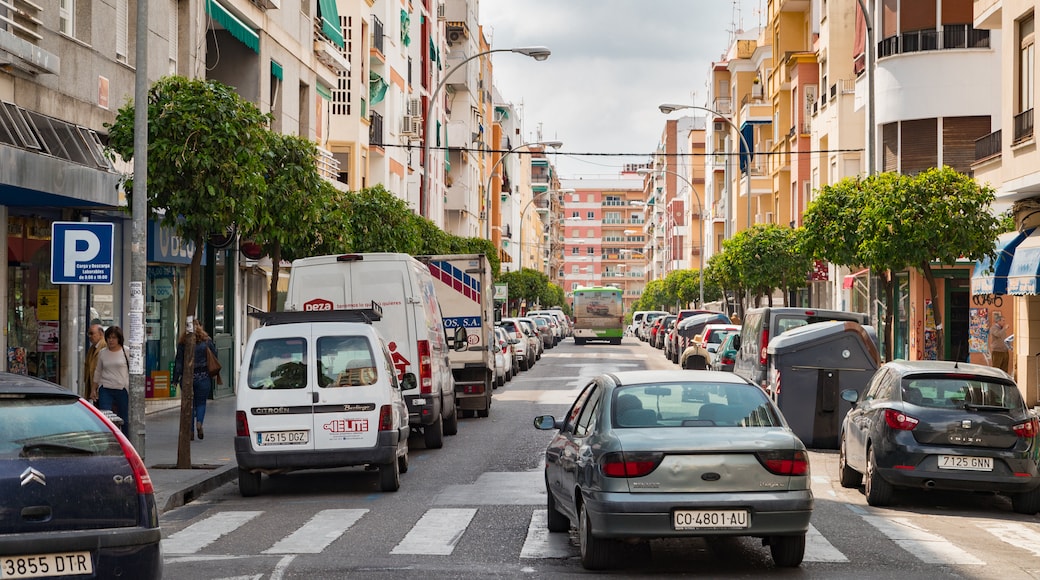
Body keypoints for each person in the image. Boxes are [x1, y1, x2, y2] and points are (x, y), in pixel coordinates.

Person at [173, 321, 218, 441]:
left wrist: (175, 379)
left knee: (190, 405)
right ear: (199, 327)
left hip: (188, 378)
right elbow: (214, 356)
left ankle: (190, 431)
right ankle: (199, 423)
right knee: (201, 403)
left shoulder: (183, 343)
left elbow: (178, 362)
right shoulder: (206, 341)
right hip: (203, 377)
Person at [93, 325, 130, 435]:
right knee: (106, 418)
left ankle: (126, 442)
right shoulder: (102, 353)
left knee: (124, 419)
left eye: (114, 337)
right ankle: (109, 441)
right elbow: (98, 371)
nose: (111, 340)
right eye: (108, 337)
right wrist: (94, 389)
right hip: (106, 389)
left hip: (122, 389)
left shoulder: (126, 351)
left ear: (119, 338)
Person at [83, 323, 104, 402]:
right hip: (93, 386)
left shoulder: (104, 346)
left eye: (92, 333)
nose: (90, 336)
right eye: (89, 334)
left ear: (101, 333)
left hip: (100, 387)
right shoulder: (93, 347)